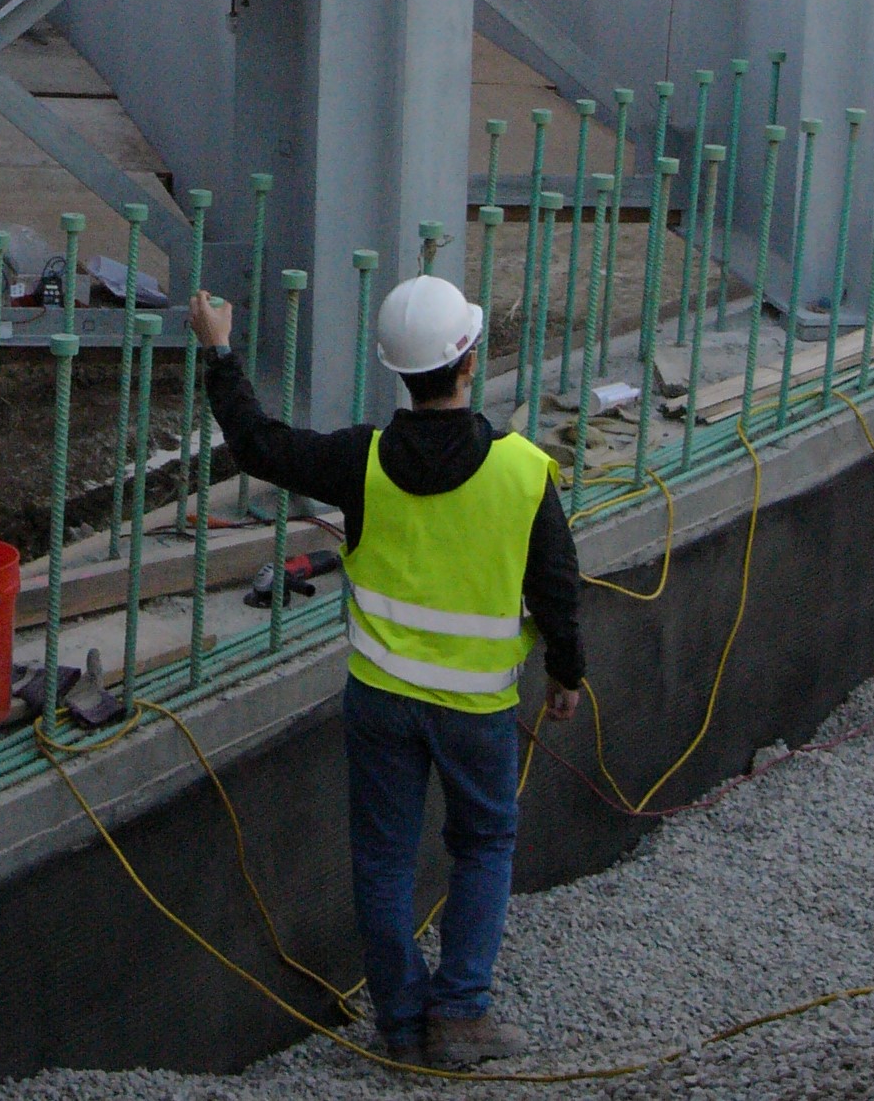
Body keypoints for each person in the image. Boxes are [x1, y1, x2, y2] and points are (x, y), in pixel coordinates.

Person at [189, 273, 584, 1071]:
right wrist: (567, 674)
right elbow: (557, 587)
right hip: (476, 709)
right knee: (482, 844)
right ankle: (463, 1013)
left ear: (396, 370)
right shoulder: (521, 471)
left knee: (382, 860)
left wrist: (220, 349)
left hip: (379, 701)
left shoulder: (359, 462)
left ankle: (401, 1024)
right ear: (468, 360)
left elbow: (258, 444)